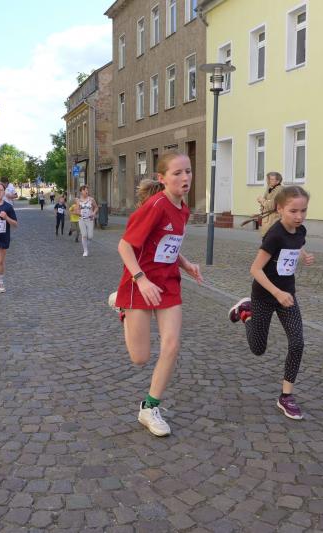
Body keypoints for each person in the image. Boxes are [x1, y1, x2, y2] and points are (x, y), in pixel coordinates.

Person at [112, 152, 203, 437]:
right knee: (140, 358)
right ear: (162, 178)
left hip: (168, 283)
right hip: (140, 283)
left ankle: (149, 408)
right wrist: (141, 280)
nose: (185, 177)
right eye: (177, 173)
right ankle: (122, 307)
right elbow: (124, 246)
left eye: (188, 171)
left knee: (172, 344)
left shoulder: (183, 208)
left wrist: (186, 264)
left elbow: (168, 244)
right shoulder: (155, 206)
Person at [228, 185, 315, 420]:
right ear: (280, 209)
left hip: (287, 296)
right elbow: (255, 269)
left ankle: (286, 396)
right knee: (258, 349)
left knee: (297, 342)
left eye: (303, 211)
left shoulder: (300, 230)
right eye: (293, 211)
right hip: (265, 295)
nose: (299, 216)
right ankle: (245, 312)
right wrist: (276, 293)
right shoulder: (274, 235)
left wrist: (303, 254)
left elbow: (297, 243)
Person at [257, 172, 283, 236]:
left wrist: (262, 200)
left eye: (271, 179)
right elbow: (265, 204)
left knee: (271, 238)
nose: (268, 181)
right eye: (268, 179)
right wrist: (264, 203)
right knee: (265, 238)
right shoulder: (269, 188)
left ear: (278, 181)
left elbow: (271, 206)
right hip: (267, 219)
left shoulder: (279, 189)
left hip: (273, 220)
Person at [76, 185, 98, 257]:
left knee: (90, 236)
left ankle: (85, 246)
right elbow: (77, 210)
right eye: (85, 190)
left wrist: (93, 213)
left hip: (90, 220)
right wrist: (79, 213)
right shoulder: (78, 201)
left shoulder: (91, 199)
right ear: (81, 191)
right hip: (82, 219)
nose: (86, 191)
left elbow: (96, 207)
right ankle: (85, 250)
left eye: (87, 190)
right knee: (84, 235)